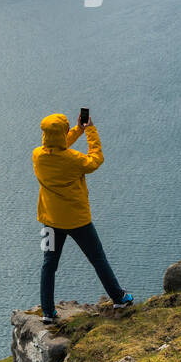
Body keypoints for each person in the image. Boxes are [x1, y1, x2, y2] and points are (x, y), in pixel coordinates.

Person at [32, 111, 132, 323]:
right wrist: (90, 130)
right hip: (78, 222)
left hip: (49, 221)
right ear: (63, 132)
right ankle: (119, 298)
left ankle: (48, 312)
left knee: (48, 265)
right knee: (97, 258)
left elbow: (57, 146)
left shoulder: (37, 156)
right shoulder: (73, 160)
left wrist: (77, 130)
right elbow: (95, 160)